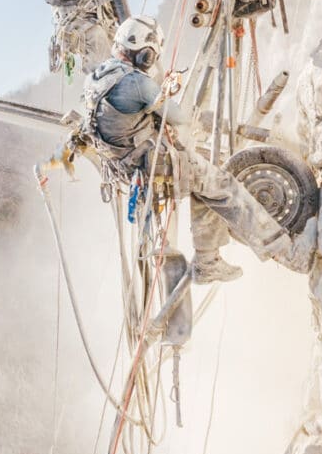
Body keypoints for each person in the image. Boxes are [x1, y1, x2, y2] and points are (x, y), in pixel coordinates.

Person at [78, 16, 283, 283]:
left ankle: (208, 260)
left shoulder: (98, 75)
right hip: (149, 164)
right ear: (146, 55)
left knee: (201, 182)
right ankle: (281, 247)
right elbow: (180, 117)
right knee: (222, 185)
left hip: (122, 167)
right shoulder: (136, 83)